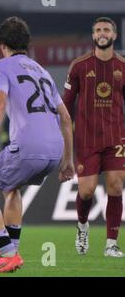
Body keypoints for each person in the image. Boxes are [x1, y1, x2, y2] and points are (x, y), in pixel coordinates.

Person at [0, 16, 74, 273]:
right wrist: (68, 160)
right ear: (27, 43)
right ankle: (12, 253)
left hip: (28, 146)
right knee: (12, 188)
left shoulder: (0, 66)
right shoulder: (43, 72)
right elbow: (66, 117)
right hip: (54, 150)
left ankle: (7, 254)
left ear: (2, 44)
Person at [63, 17, 125, 257]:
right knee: (86, 191)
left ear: (114, 35)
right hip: (87, 139)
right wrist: (61, 136)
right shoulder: (79, 66)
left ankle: (111, 244)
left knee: (116, 187)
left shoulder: (122, 66)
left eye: (106, 30)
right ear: (93, 36)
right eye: (98, 30)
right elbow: (66, 105)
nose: (102, 33)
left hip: (116, 138)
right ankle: (82, 225)